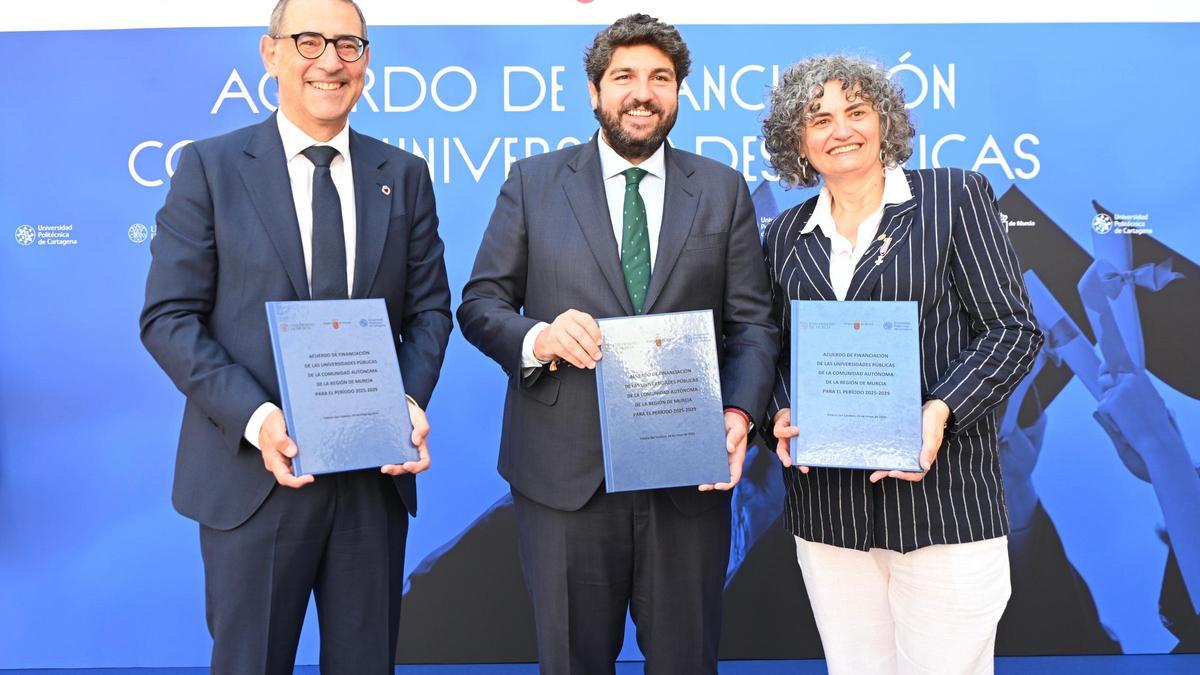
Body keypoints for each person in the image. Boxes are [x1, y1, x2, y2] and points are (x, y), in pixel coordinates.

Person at [457, 14, 777, 674]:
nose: (643, 92)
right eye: (624, 76)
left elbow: (753, 324)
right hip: (563, 474)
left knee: (687, 661)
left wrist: (741, 413)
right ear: (595, 92)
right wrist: (538, 336)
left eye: (660, 78)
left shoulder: (721, 188)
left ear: (680, 92)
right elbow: (480, 305)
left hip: (687, 473)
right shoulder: (532, 182)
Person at [138, 0, 451, 671]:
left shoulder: (403, 175)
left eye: (348, 44)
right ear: (270, 52)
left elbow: (429, 312)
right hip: (253, 477)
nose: (329, 60)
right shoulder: (211, 169)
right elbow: (168, 317)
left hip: (372, 478)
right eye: (308, 40)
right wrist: (259, 419)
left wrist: (409, 403)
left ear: (366, 62)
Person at [760, 55, 1042, 674]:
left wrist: (939, 411)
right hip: (829, 514)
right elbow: (772, 350)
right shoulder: (782, 236)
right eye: (820, 118)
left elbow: (1013, 332)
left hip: (945, 507)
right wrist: (780, 408)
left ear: (884, 122)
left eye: (856, 112)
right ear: (797, 141)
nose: (842, 130)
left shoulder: (954, 197)